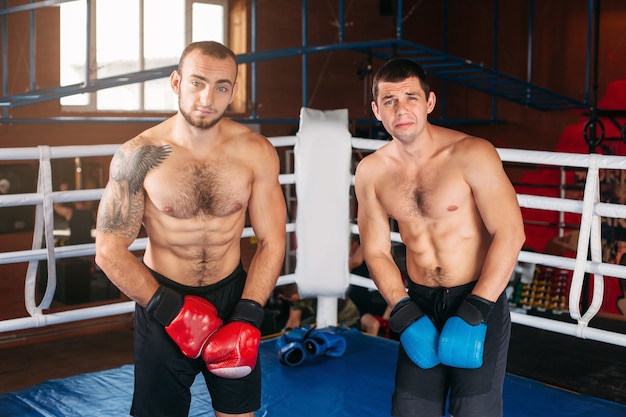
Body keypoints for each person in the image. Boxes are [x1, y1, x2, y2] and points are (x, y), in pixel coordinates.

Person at [95, 41, 286, 417]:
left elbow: (272, 240)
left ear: (233, 91)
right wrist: (170, 309)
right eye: (197, 82)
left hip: (232, 299)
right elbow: (108, 250)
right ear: (176, 82)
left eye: (221, 87)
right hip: (161, 299)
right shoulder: (139, 155)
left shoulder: (255, 151)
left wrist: (248, 313)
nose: (207, 97)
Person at [354, 58, 525, 417]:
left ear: (429, 102)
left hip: (478, 297)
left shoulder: (471, 153)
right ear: (376, 110)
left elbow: (510, 233)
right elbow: (376, 250)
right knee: (411, 411)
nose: (401, 109)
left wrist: (477, 308)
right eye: (389, 101)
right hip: (419, 305)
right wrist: (401, 309)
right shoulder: (371, 172)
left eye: (410, 97)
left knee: (474, 412)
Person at [275, 282, 361, 330]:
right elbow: (293, 321)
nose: (281, 297)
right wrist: (285, 334)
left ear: (295, 295)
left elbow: (325, 324)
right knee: (303, 326)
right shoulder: (296, 299)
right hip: (322, 318)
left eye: (284, 296)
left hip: (348, 319)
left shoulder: (318, 295)